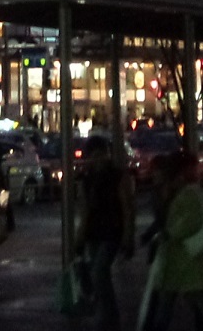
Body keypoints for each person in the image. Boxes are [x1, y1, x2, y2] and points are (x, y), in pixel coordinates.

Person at [141, 152, 203, 331]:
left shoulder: (184, 193)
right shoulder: (178, 192)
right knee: (195, 303)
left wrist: (168, 233)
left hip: (185, 258)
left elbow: (189, 221)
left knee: (197, 303)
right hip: (182, 258)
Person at [75, 135, 135, 331]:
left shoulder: (117, 176)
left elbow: (127, 207)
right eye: (94, 155)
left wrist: (127, 234)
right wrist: (81, 235)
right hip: (95, 232)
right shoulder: (87, 180)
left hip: (112, 231)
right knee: (98, 273)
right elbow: (84, 209)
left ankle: (108, 315)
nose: (97, 159)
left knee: (99, 271)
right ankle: (107, 314)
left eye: (101, 154)